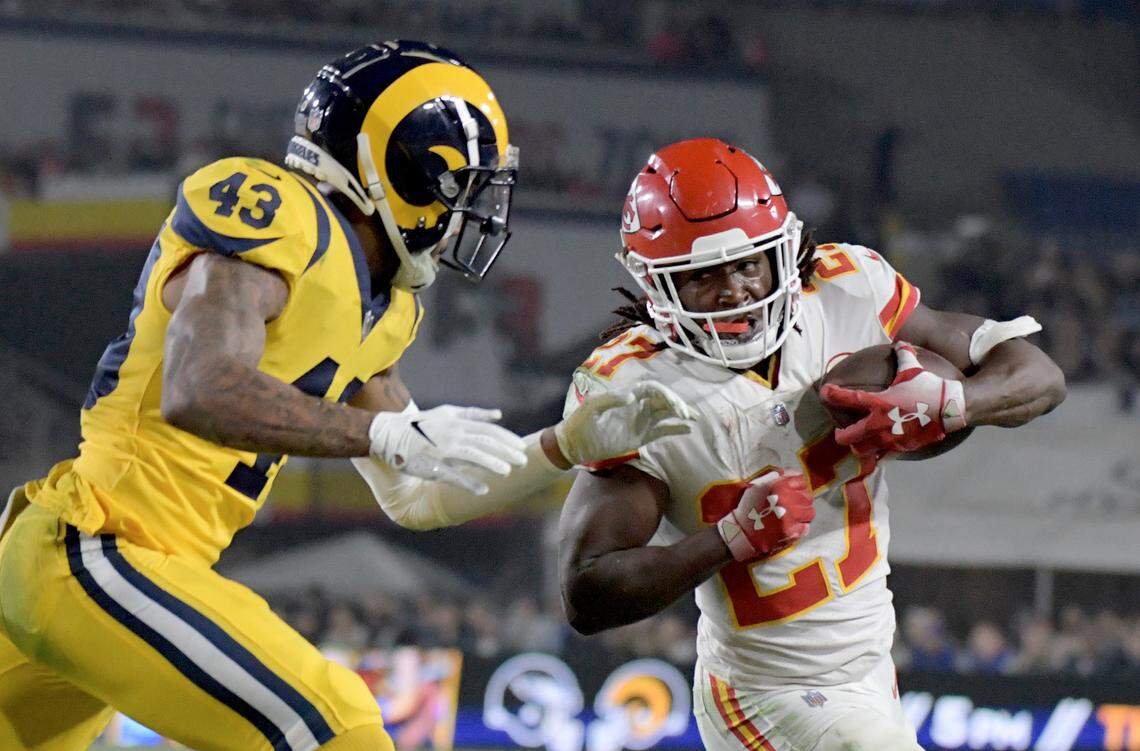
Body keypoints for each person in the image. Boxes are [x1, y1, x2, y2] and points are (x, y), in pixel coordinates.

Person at [0, 42, 692, 751]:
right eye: (460, 188)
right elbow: (198, 387)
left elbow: (417, 495)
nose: (468, 214)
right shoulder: (282, 218)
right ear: (406, 174)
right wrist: (383, 435)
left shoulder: (383, 307)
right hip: (96, 547)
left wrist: (564, 443)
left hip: (113, 571)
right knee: (335, 724)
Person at [558, 138, 1066, 751]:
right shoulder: (634, 388)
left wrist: (952, 403)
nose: (735, 292)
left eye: (748, 264)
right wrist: (727, 540)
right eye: (702, 277)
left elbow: (1041, 377)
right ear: (656, 286)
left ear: (783, 249)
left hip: (871, 667)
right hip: (761, 690)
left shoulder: (845, 291)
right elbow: (587, 592)